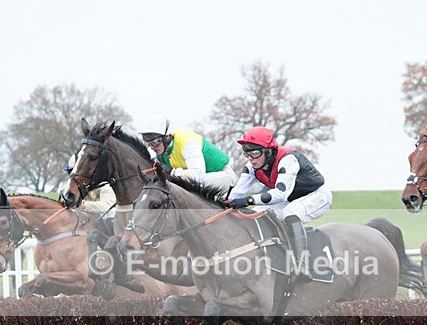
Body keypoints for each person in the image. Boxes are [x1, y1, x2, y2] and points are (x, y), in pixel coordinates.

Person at [225, 126, 333, 281]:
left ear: (269, 151)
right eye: (247, 153)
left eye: (255, 152)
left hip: (317, 196)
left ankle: (302, 265)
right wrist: (224, 203)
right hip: (290, 200)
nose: (251, 158)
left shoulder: (288, 160)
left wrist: (248, 200)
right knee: (255, 212)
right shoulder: (251, 167)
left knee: (292, 213)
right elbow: (236, 193)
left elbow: (280, 193)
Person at [62, 153, 145, 293]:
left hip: (112, 220)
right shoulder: (70, 187)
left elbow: (106, 205)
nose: (74, 177)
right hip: (87, 222)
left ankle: (119, 268)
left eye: (74, 172)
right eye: (71, 173)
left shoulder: (103, 185)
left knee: (105, 226)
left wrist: (81, 205)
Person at [138, 115, 239, 195]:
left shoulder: (187, 142)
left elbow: (197, 175)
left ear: (167, 137)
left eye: (155, 142)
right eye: (148, 142)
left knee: (189, 183)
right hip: (204, 179)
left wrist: (171, 172)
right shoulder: (159, 149)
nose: (152, 147)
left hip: (223, 176)